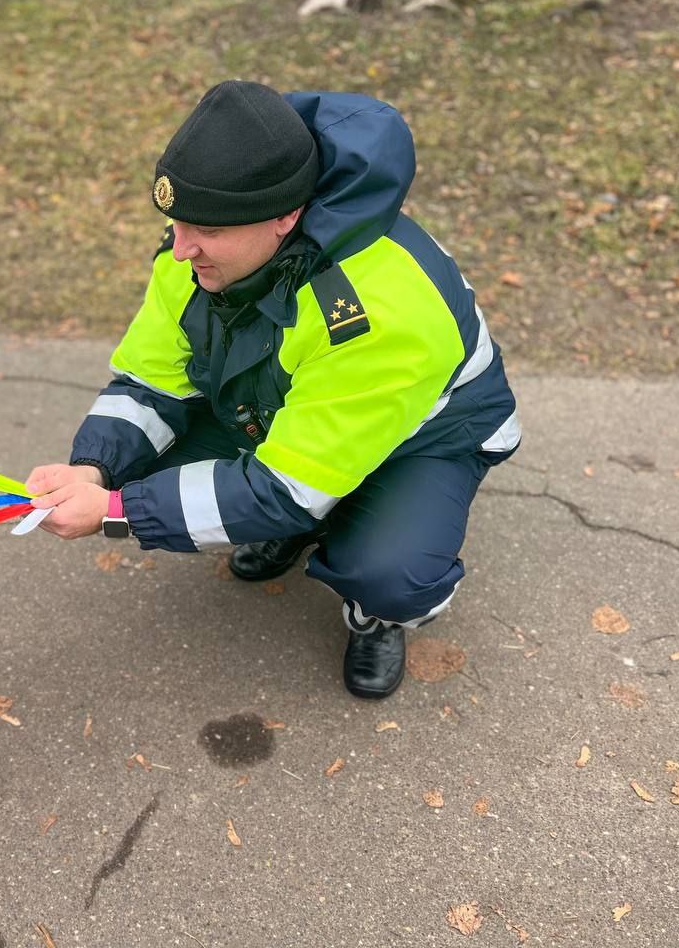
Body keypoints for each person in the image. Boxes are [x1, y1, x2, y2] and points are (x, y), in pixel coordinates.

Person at [27, 81, 520, 699]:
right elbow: (151, 380)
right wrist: (94, 470)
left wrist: (118, 514)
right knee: (149, 465)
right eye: (175, 222)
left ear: (287, 216)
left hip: (426, 435)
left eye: (202, 227)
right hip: (290, 406)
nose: (180, 250)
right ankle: (292, 525)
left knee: (391, 572)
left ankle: (376, 613)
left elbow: (289, 487)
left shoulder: (375, 311)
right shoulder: (208, 243)